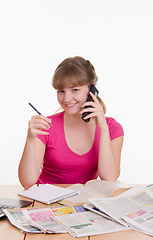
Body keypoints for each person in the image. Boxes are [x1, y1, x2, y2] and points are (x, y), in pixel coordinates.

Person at [18, 56, 124, 189]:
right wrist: (30, 139)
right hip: (47, 201)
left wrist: (102, 127)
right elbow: (27, 183)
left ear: (92, 90)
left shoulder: (112, 128)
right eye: (61, 91)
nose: (67, 99)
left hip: (83, 202)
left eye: (75, 90)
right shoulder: (47, 125)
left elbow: (109, 178)